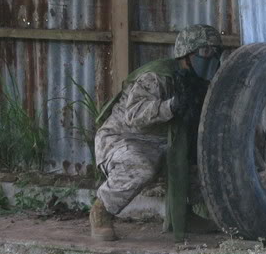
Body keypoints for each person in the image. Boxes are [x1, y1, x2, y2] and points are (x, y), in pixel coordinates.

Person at [89, 24, 224, 241]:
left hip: (164, 142)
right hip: (124, 138)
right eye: (206, 52)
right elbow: (133, 115)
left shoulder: (201, 82)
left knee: (207, 165)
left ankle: (181, 215)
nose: (212, 58)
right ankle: (102, 210)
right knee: (141, 165)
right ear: (187, 54)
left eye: (217, 53)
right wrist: (171, 106)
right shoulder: (156, 76)